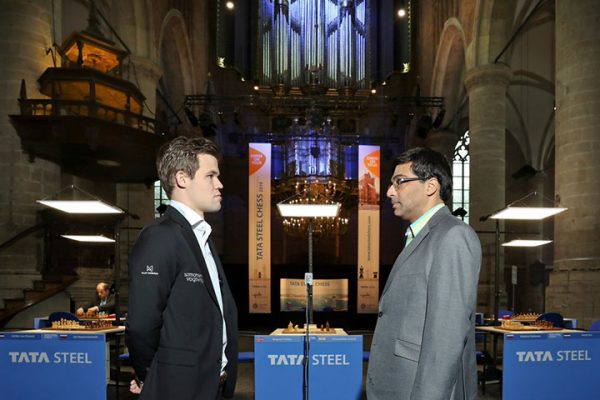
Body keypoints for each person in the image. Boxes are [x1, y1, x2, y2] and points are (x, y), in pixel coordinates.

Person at [126, 136, 238, 400]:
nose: (219, 184)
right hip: (177, 389)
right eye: (210, 175)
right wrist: (149, 376)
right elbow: (142, 325)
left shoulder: (201, 237)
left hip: (212, 387)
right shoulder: (160, 236)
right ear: (182, 179)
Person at [367, 147, 481, 400]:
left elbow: (446, 339)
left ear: (431, 186)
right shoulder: (420, 235)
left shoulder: (453, 236)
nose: (389, 192)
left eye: (400, 182)